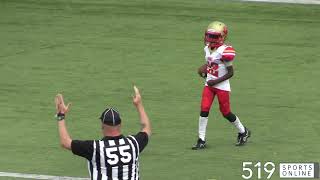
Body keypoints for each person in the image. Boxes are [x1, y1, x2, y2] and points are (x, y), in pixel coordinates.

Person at [54, 86, 151, 179]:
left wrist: (61, 114)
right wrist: (139, 104)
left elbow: (65, 142)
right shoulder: (134, 143)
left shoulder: (95, 148)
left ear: (102, 126)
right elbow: (146, 128)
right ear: (120, 125)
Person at [192, 21, 251, 150]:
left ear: (222, 37)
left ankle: (243, 131)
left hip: (221, 86)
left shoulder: (225, 51)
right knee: (204, 110)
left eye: (214, 37)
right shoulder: (207, 48)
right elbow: (211, 63)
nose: (210, 39)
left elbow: (230, 73)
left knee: (226, 112)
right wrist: (203, 69)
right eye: (209, 36)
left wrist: (215, 81)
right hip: (209, 85)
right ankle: (201, 139)